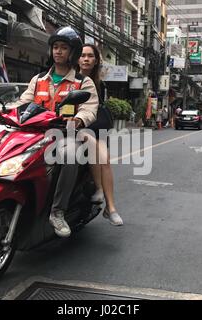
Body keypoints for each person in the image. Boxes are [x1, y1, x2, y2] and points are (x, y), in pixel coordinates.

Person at [15, 26, 99, 237]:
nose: (58, 52)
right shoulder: (39, 79)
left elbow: (90, 109)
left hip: (66, 134)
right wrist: (7, 112)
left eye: (63, 48)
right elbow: (22, 103)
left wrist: (79, 119)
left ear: (73, 53)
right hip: (35, 134)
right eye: (55, 47)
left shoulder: (82, 82)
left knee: (71, 154)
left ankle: (57, 211)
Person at [77, 43, 123, 226]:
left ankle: (110, 207)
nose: (86, 59)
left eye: (90, 56)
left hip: (94, 127)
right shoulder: (70, 79)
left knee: (105, 158)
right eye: (82, 55)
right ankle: (98, 188)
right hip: (72, 127)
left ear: (96, 60)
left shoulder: (98, 83)